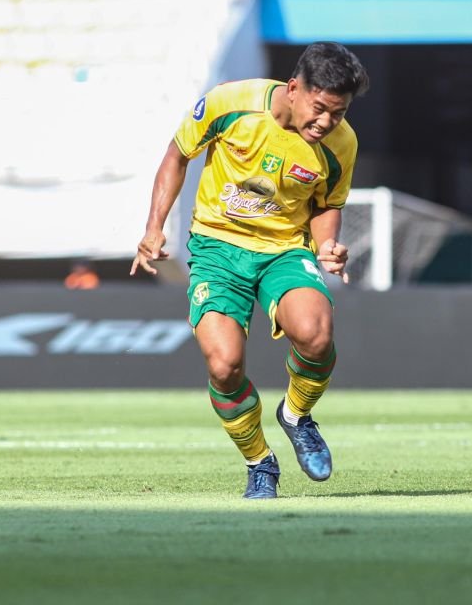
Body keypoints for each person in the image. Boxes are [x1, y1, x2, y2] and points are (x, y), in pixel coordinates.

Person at [131, 42, 369, 499]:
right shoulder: (230, 103)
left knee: (316, 334)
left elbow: (327, 204)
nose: (326, 123)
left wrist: (328, 245)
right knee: (224, 366)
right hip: (218, 248)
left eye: (337, 114)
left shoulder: (342, 144)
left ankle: (297, 415)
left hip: (283, 248)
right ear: (294, 89)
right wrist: (154, 228)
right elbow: (177, 154)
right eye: (320, 109)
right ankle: (260, 462)